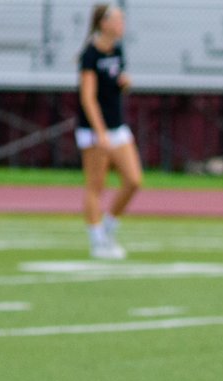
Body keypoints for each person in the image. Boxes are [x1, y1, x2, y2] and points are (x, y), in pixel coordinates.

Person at [75, 3, 142, 259]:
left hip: (117, 126)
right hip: (95, 130)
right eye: (118, 19)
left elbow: (114, 85)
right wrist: (100, 131)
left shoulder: (117, 49)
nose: (122, 24)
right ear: (104, 23)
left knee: (133, 181)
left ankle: (109, 227)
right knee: (96, 185)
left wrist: (124, 83)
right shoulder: (90, 55)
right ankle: (97, 241)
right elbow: (88, 97)